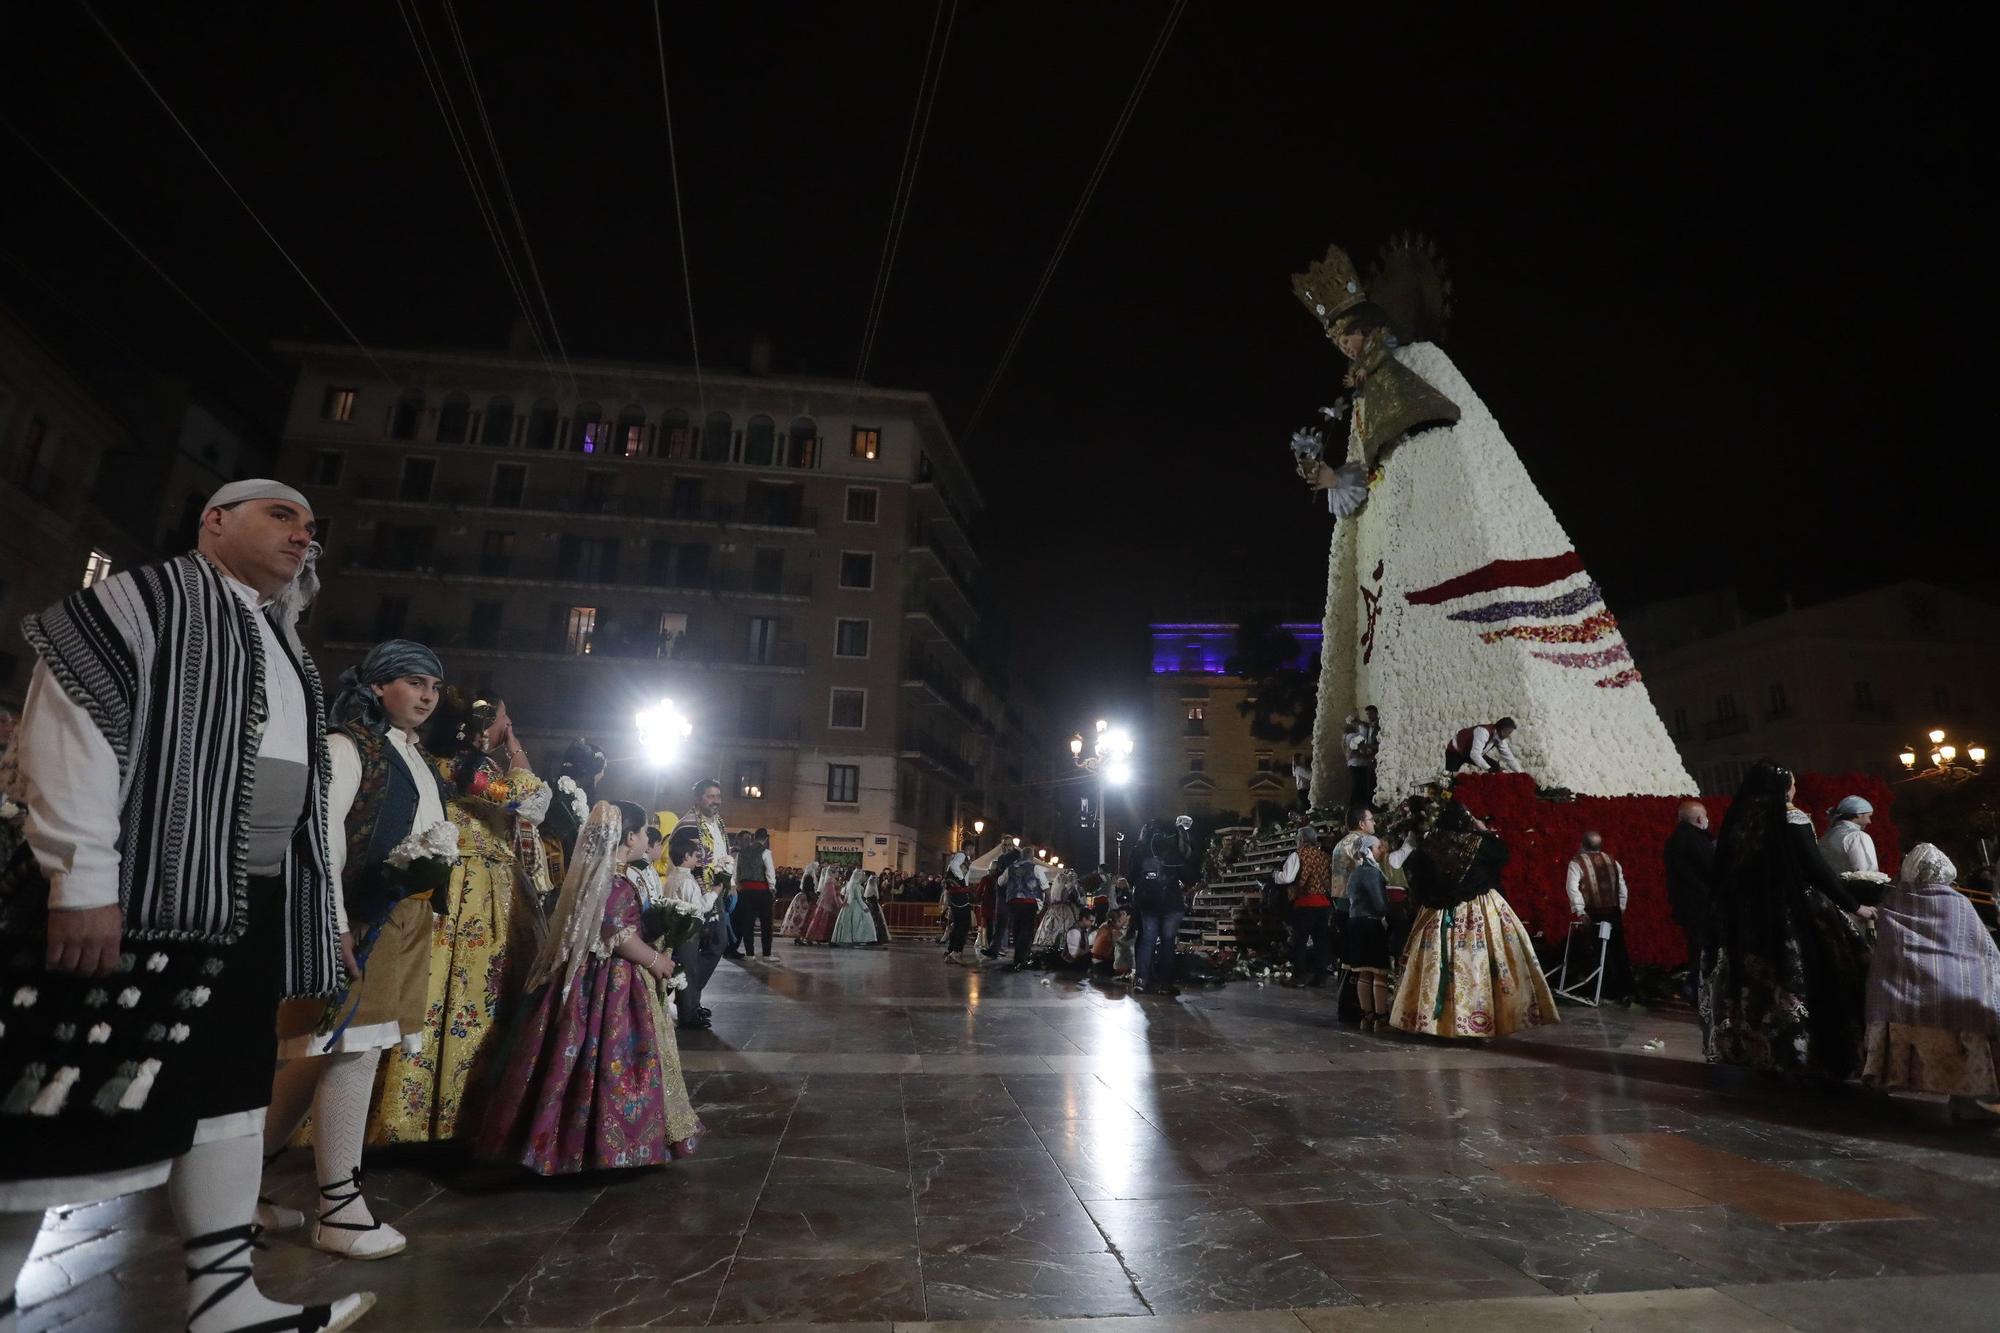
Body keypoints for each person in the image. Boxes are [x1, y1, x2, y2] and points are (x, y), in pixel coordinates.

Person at [0, 481, 375, 1332]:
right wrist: (83, 880)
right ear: (214, 519)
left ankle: (224, 1299)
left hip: (248, 905)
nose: (301, 536)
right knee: (54, 1104)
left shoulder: (282, 641)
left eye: (311, 528)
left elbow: (309, 794)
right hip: (137, 901)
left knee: (231, 1097)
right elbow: (74, 733)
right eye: (280, 515)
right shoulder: (137, 600)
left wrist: (322, 915)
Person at [266, 639, 449, 1262]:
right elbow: (323, 837)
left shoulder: (411, 754)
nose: (426, 696)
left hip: (401, 920)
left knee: (317, 1053)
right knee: (349, 1051)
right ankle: (339, 1208)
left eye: (433, 686)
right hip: (358, 921)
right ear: (377, 687)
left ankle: (244, 1192)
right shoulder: (350, 746)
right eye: (413, 682)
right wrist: (336, 921)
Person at [474, 801, 701, 1173]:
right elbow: (619, 935)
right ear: (629, 837)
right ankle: (602, 1145)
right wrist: (656, 960)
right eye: (644, 832)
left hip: (586, 980)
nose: (647, 839)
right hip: (612, 986)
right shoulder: (615, 883)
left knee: (572, 1054)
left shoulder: (594, 878)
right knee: (610, 1060)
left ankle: (560, 1138)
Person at [372, 694, 550, 1145]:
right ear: (485, 725)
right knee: (468, 991)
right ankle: (452, 1114)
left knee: (442, 988)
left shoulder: (437, 760)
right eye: (505, 718)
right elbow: (523, 799)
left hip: (465, 882)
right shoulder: (468, 766)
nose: (510, 725)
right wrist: (514, 749)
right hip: (474, 888)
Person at [1701, 762, 1875, 1082]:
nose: (1794, 790)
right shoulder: (1792, 818)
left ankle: (1760, 1049)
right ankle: (1807, 1052)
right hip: (1794, 912)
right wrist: (1853, 905)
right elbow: (1815, 868)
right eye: (1791, 784)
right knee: (1815, 974)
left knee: (1758, 982)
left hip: (1749, 916)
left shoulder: (1742, 821)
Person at [1388, 800, 1558, 1038]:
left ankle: (1436, 1023)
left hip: (1439, 915)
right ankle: (1482, 1020)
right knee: (1479, 967)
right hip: (1481, 912)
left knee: (1436, 967)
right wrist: (1483, 830)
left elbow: (1418, 883)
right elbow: (1503, 854)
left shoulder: (1429, 847)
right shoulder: (1480, 844)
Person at [1860, 843, 2000, 1118]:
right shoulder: (1958, 903)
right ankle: (1964, 1100)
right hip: (1950, 998)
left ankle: (1880, 1087)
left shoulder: (1895, 902)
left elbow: (1887, 954)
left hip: (1898, 998)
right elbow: (1981, 949)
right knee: (1968, 1013)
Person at [1563, 831, 1635, 1002]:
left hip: (1594, 913)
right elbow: (1622, 887)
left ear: (1582, 844)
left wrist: (1580, 911)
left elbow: (1572, 888)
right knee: (1618, 949)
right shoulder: (1612, 862)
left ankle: (1606, 990)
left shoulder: (1577, 863)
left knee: (1599, 951)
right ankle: (1626, 989)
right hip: (1613, 911)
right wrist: (1621, 908)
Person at [662, 825, 717, 1029]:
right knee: (687, 972)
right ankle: (688, 1014)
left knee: (679, 972)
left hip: (673, 932)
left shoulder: (672, 878)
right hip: (687, 933)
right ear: (686, 856)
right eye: (695, 856)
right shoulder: (687, 881)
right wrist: (716, 891)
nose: (697, 860)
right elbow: (699, 908)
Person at [1663, 800, 1715, 1005]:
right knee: (1705, 949)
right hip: (1701, 904)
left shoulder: (1674, 840)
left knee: (1696, 948)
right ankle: (1697, 987)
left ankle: (1694, 986)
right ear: (1700, 819)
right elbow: (1711, 870)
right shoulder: (1697, 840)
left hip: (1685, 905)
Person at [1133, 820, 1191, 997]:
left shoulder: (1139, 851)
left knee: (1147, 942)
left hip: (1148, 904)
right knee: (1167, 944)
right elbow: (1188, 875)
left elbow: (1131, 875)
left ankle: (1142, 981)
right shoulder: (1172, 853)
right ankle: (1165, 984)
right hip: (1171, 904)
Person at [1344, 835, 1394, 1030]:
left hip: (1355, 922)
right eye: (1378, 848)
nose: (1381, 850)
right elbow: (1379, 903)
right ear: (1370, 850)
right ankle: (1380, 1018)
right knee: (1379, 973)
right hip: (1370, 924)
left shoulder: (1356, 872)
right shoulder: (1371, 873)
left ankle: (1367, 1016)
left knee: (1364, 972)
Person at [1276, 827, 1336, 987]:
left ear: (1301, 840)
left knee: (1299, 942)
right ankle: (1320, 977)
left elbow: (1287, 877)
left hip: (1304, 904)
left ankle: (1299, 977)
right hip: (1324, 905)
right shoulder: (1325, 857)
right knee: (1321, 942)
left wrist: (1275, 876)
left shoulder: (1298, 855)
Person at [731, 828, 778, 960]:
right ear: (766, 838)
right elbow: (770, 872)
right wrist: (772, 887)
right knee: (766, 924)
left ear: (753, 837)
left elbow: (735, 873)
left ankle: (750, 954)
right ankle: (767, 955)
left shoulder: (742, 853)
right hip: (762, 891)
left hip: (745, 892)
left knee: (748, 923)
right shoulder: (766, 852)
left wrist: (739, 887)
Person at [1819, 796, 1881, 877]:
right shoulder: (1858, 836)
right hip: (1848, 889)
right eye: (1869, 816)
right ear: (1859, 814)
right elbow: (1867, 876)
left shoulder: (1827, 835)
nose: (1869, 822)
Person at [1002, 858, 1045, 971]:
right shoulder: (1035, 868)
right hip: (1029, 903)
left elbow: (1000, 882)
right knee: (1026, 931)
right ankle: (1023, 958)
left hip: (1014, 903)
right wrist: (1045, 902)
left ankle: (1018, 957)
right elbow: (1045, 885)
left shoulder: (1010, 868)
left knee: (1016, 929)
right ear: (1031, 857)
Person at [1445, 718, 1523, 775]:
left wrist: (1521, 773)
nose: (1509, 736)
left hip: (1471, 753)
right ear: (1503, 730)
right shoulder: (1483, 732)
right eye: (1509, 733)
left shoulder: (1499, 739)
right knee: (1450, 777)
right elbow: (1475, 755)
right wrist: (1488, 769)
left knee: (1495, 766)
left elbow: (1509, 757)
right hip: (1455, 752)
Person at [942, 852, 975, 964]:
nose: (965, 869)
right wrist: (961, 879)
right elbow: (955, 866)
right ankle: (956, 952)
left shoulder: (957, 858)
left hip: (956, 896)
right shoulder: (961, 856)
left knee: (957, 924)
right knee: (964, 924)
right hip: (960, 897)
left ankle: (951, 951)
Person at [831, 867, 878, 946]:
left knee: (847, 922)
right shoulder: (856, 885)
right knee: (859, 922)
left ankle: (846, 938)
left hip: (848, 907)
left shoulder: (849, 884)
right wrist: (865, 907)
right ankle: (859, 938)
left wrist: (846, 903)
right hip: (856, 906)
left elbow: (847, 896)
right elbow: (858, 899)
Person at [1346, 706, 1380, 809]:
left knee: (1373, 783)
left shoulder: (1379, 725)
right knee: (1369, 784)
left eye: (1370, 713)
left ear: (1376, 713)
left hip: (1376, 758)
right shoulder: (1369, 725)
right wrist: (1356, 720)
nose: (1368, 716)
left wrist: (1369, 747)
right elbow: (1365, 724)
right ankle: (1369, 806)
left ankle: (1375, 806)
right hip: (1368, 759)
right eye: (1367, 714)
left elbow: (1381, 742)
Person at [779, 860, 819, 941]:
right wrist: (813, 898)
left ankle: (801, 937)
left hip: (802, 897)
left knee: (803, 918)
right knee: (803, 918)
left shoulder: (807, 876)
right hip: (805, 899)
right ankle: (799, 937)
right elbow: (809, 890)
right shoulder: (809, 877)